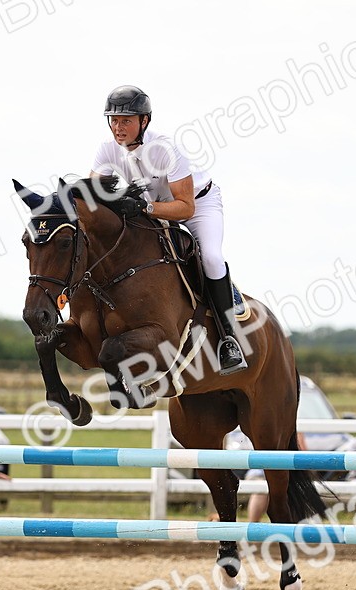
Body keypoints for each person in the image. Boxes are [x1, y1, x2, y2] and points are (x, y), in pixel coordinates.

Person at [89, 84, 247, 376]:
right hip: (156, 205)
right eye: (113, 119)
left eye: (126, 120)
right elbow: (93, 195)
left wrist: (144, 209)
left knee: (210, 257)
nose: (118, 127)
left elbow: (185, 208)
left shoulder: (166, 149)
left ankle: (229, 339)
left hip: (198, 205)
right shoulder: (107, 150)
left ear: (144, 121)